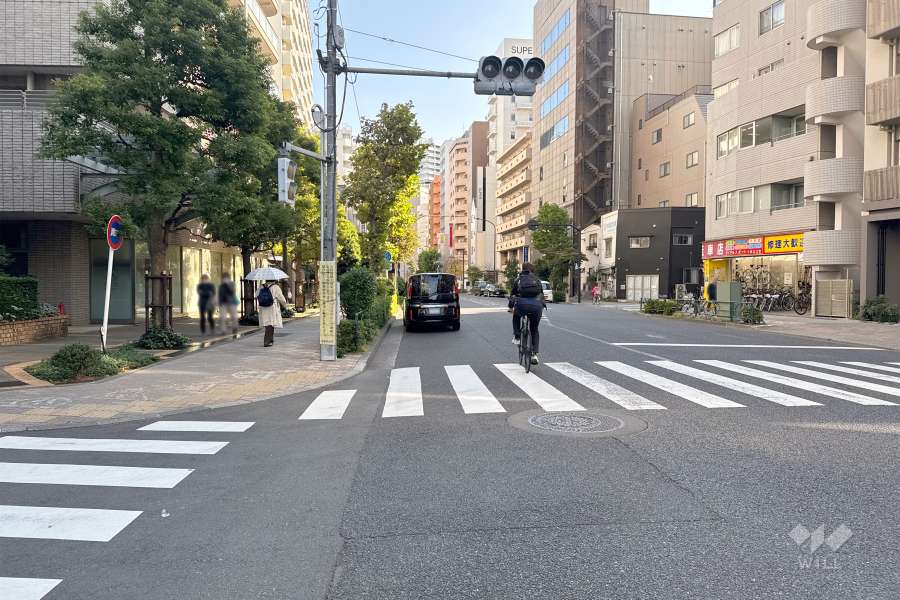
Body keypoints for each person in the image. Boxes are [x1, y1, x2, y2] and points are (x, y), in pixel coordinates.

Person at [508, 262, 545, 365]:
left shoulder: (518, 280)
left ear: (522, 269)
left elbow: (512, 295)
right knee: (534, 330)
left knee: (516, 316)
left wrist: (510, 307)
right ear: (532, 270)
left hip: (522, 306)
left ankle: (517, 336)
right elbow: (541, 294)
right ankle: (534, 354)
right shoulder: (537, 280)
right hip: (536, 307)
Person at [256, 279, 288, 347]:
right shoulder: (276, 287)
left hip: (263, 307)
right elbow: (281, 298)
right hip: (271, 307)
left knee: (267, 323)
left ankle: (270, 340)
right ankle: (267, 341)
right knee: (270, 323)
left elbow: (256, 295)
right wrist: (285, 306)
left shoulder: (262, 286)